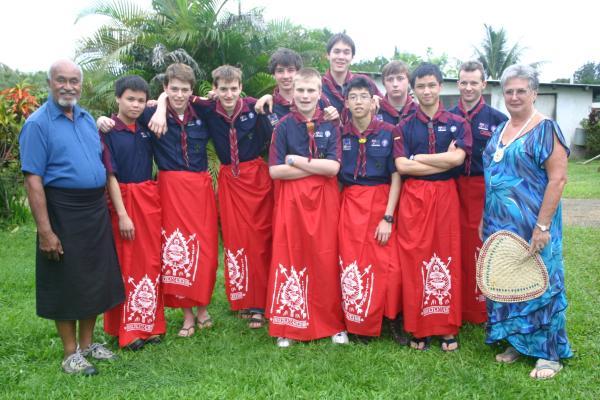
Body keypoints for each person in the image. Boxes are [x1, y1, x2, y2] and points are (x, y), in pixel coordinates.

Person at [19, 59, 124, 375]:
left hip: (93, 207)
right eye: (61, 80)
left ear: (81, 83)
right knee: (66, 279)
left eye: (74, 80)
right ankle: (69, 353)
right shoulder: (38, 124)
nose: (68, 86)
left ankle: (89, 343)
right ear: (50, 83)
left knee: (92, 276)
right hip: (62, 209)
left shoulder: (86, 118)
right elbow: (33, 179)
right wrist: (45, 231)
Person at [99, 63, 219, 337]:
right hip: (170, 187)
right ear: (165, 88)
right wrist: (99, 120)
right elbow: (121, 121)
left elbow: (230, 101)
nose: (179, 94)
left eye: (184, 90)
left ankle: (203, 307)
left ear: (192, 91)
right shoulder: (148, 113)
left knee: (207, 251)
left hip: (200, 187)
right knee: (177, 250)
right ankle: (188, 315)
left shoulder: (202, 109)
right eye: (173, 89)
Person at [150, 65, 274, 329]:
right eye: (223, 89)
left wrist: (268, 98)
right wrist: (160, 104)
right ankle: (242, 300)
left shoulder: (254, 108)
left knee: (260, 238)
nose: (228, 94)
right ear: (214, 90)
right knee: (234, 239)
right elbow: (173, 95)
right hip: (229, 179)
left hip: (256, 177)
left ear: (241, 88)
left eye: (233, 88)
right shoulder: (207, 108)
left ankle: (261, 304)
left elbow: (277, 132)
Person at [481, 64, 572, 380]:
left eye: (522, 90)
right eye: (509, 91)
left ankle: (549, 354)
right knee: (511, 283)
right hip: (501, 224)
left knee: (541, 282)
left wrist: (543, 226)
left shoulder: (546, 128)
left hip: (534, 224)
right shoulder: (501, 130)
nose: (515, 96)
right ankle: (519, 343)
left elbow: (557, 179)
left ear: (534, 93)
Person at [393, 62, 472, 352]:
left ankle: (447, 328)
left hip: (446, 195)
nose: (426, 91)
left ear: (440, 86)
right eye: (421, 86)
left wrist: (419, 158)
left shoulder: (457, 122)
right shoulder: (404, 126)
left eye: (431, 85)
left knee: (446, 254)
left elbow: (457, 160)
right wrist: (439, 158)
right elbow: (402, 166)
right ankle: (419, 327)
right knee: (415, 257)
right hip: (414, 197)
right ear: (413, 90)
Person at [267, 68, 347, 347]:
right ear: (294, 92)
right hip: (292, 200)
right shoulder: (283, 126)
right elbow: (276, 172)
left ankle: (333, 323)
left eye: (311, 90)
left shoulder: (331, 124)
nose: (305, 95)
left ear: (319, 93)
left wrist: (295, 160)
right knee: (291, 255)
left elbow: (334, 168)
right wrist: (315, 168)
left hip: (325, 200)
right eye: (300, 90)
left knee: (325, 257)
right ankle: (288, 325)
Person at [101, 75, 165, 350]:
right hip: (123, 201)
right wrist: (123, 213)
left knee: (150, 261)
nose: (136, 105)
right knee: (126, 264)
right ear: (118, 99)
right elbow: (109, 175)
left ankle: (150, 326)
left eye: (141, 100)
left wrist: (158, 101)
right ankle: (126, 330)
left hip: (149, 198)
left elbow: (170, 97)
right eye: (130, 99)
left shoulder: (145, 128)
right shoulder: (107, 131)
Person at [338, 77, 402, 342]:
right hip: (351, 201)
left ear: (373, 100)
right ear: (346, 102)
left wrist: (388, 216)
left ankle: (393, 319)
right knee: (353, 261)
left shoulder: (389, 131)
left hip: (381, 199)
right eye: (353, 97)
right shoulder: (339, 133)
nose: (358, 102)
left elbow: (397, 174)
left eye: (364, 96)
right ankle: (359, 320)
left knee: (390, 265)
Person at [449, 61, 508, 325]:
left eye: (474, 82)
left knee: (481, 245)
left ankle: (483, 309)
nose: (469, 87)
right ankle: (457, 305)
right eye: (464, 82)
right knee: (455, 244)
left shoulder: (498, 120)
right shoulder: (448, 117)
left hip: (483, 189)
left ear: (483, 84)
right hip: (453, 188)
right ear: (458, 84)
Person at [254, 47, 338, 125]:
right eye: (280, 71)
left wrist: (335, 116)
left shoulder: (318, 99)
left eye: (290, 70)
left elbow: (334, 128)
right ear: (273, 74)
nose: (286, 76)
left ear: (298, 72)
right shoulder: (267, 107)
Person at [322, 33, 382, 121]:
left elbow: (385, 104)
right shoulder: (317, 86)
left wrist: (377, 99)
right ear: (328, 55)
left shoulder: (364, 81)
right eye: (336, 51)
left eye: (346, 52)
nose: (341, 57)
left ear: (352, 57)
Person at [376, 60, 418, 125]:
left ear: (408, 81)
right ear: (383, 83)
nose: (395, 84)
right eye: (390, 79)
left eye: (400, 78)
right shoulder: (375, 111)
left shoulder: (419, 111)